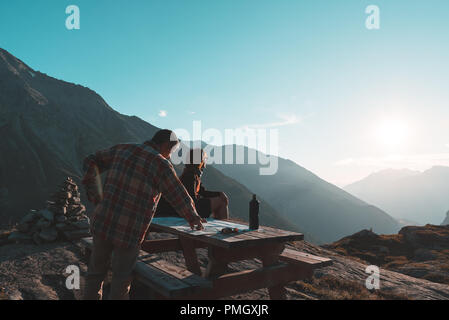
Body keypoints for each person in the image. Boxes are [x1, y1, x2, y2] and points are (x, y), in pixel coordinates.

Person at [81, 129, 205, 300]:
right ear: (165, 145)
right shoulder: (161, 164)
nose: (170, 155)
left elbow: (90, 160)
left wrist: (95, 193)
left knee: (95, 273)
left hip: (103, 222)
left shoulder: (123, 149)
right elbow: (177, 194)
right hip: (129, 231)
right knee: (121, 279)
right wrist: (193, 216)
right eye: (172, 150)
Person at [156, 148, 229, 220]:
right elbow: (191, 198)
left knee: (220, 199)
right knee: (221, 202)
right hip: (189, 208)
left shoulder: (191, 173)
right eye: (204, 160)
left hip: (188, 206)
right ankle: (224, 225)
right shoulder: (190, 175)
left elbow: (201, 191)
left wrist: (219, 194)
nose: (205, 164)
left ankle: (221, 224)